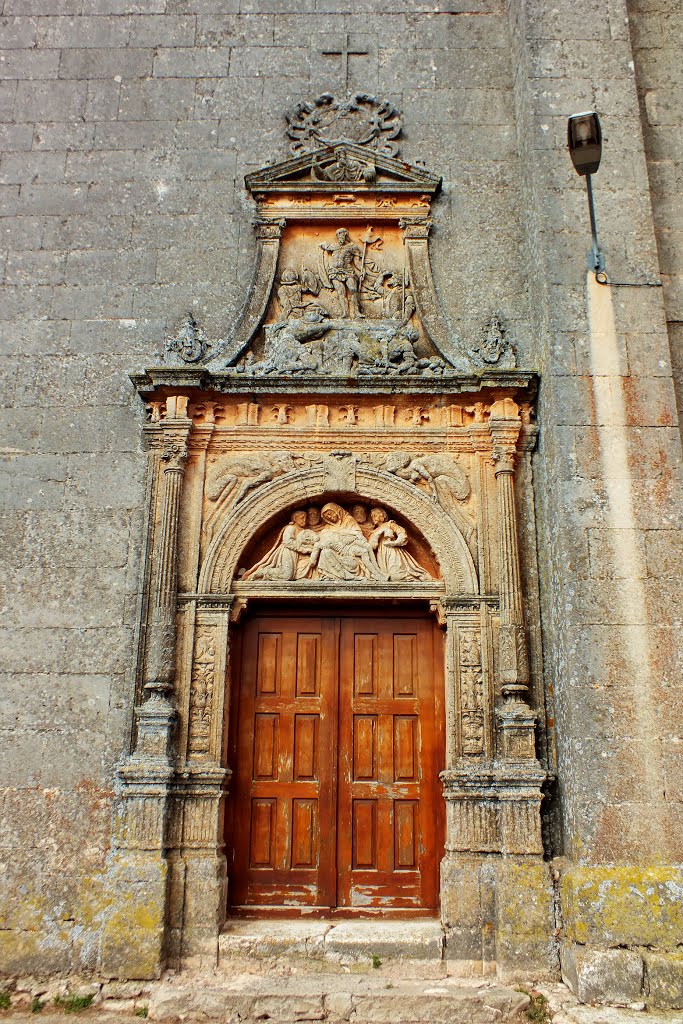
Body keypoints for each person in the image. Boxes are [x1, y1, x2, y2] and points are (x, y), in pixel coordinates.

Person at [302, 502, 386, 581]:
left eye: (330, 514)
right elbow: (315, 553)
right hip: (344, 552)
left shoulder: (349, 520)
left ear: (337, 511)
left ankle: (377, 571)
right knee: (326, 552)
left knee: (367, 547)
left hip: (351, 545)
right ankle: (375, 573)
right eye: (327, 516)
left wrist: (343, 535)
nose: (329, 517)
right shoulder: (326, 529)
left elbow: (358, 534)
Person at [242, 510, 317, 581]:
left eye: (305, 518)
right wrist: (305, 549)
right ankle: (263, 572)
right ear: (295, 519)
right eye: (302, 518)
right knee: (287, 574)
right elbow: (288, 542)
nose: (304, 520)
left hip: (298, 554)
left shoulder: (303, 530)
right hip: (288, 552)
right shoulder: (291, 528)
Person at [368, 507, 432, 582]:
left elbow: (402, 534)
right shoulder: (375, 531)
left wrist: (394, 543)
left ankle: (416, 578)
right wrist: (379, 532)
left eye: (375, 515)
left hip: (393, 551)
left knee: (396, 576)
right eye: (372, 516)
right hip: (381, 554)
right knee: (387, 578)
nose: (373, 518)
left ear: (383, 515)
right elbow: (371, 546)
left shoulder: (390, 524)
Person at [320, 228, 364, 318]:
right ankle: (345, 313)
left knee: (353, 289)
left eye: (342, 235)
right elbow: (322, 245)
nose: (340, 237)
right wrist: (323, 245)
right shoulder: (333, 246)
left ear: (346, 236)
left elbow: (357, 262)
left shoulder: (352, 247)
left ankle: (357, 312)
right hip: (334, 272)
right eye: (338, 235)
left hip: (347, 271)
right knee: (341, 291)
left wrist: (362, 270)